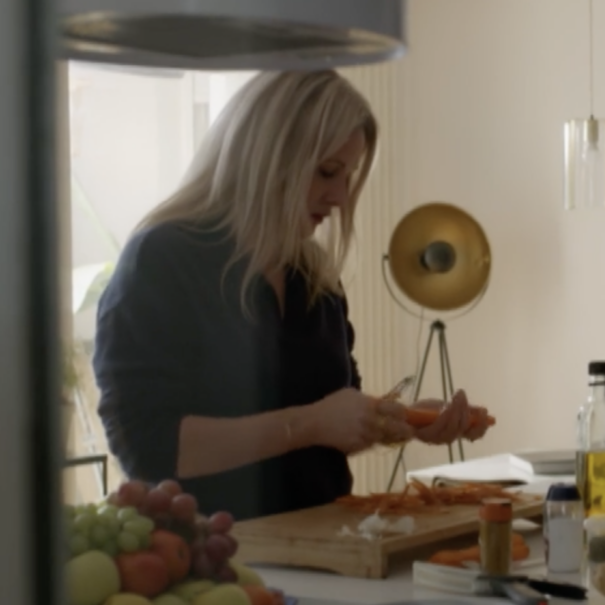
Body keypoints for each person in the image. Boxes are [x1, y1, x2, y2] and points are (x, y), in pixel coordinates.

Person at [93, 70, 490, 522]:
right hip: (209, 552)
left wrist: (408, 421)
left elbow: (332, 418)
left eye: (347, 176)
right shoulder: (162, 260)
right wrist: (310, 424)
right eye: (327, 172)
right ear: (267, 157)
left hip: (323, 546)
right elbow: (147, 447)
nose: (340, 198)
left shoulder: (315, 277)